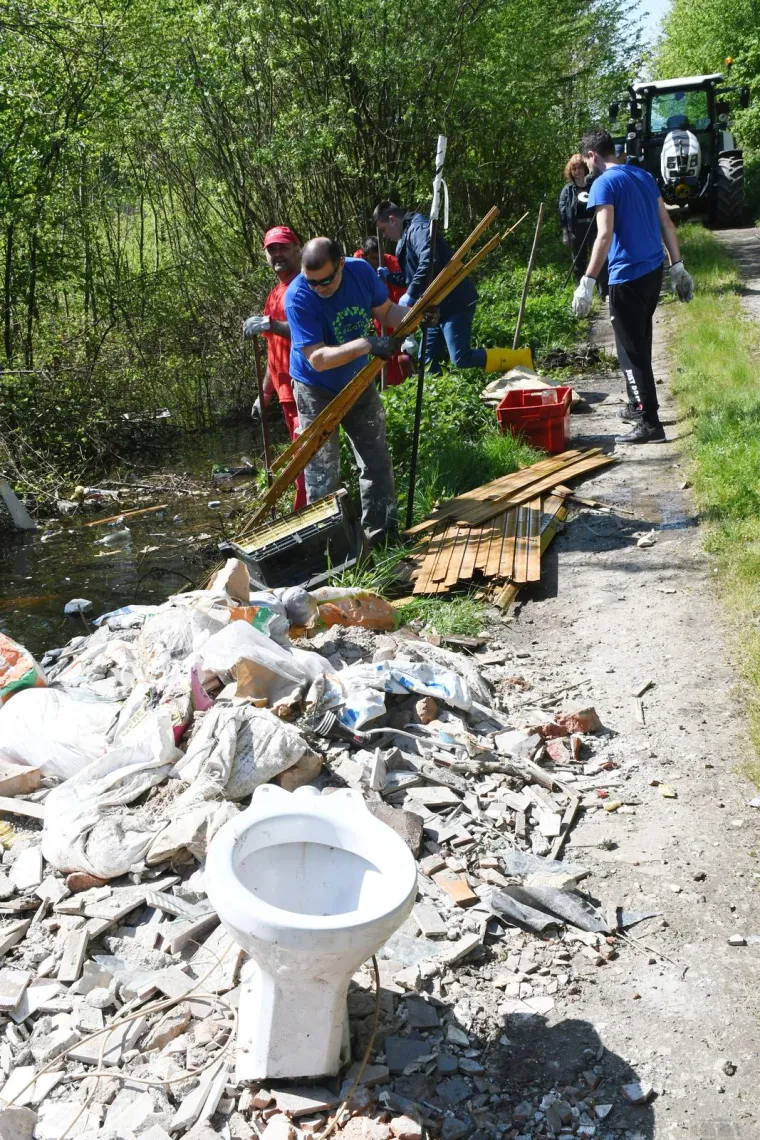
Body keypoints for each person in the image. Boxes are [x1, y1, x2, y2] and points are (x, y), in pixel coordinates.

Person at [284, 236, 416, 545]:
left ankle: (382, 539)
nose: (319, 287)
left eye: (326, 280)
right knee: (322, 473)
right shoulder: (298, 296)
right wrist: (367, 344)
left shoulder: (360, 272)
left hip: (357, 380)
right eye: (312, 281)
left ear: (341, 264)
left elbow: (386, 312)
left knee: (376, 459)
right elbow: (317, 359)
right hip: (315, 389)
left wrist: (416, 317)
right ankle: (332, 551)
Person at [573, 129, 694, 445]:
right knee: (640, 341)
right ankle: (635, 404)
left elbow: (604, 235)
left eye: (587, 161)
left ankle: (649, 423)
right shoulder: (643, 176)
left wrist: (587, 281)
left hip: (626, 278)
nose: (588, 168)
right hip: (653, 271)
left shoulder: (603, 184)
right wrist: (677, 266)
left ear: (593, 155)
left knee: (630, 353)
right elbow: (666, 223)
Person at [373, 201, 525, 375]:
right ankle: (434, 397)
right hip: (434, 307)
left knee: (461, 358)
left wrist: (411, 293)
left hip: (454, 302)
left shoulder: (417, 229)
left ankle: (519, 359)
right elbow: (414, 275)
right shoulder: (405, 237)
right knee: (427, 360)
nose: (385, 235)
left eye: (384, 230)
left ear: (392, 220)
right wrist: (389, 277)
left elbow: (430, 259)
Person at [242, 225, 306, 511]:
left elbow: (308, 332)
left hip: (305, 388)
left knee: (305, 459)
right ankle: (302, 510)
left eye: (283, 247)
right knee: (299, 458)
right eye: (272, 249)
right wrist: (264, 394)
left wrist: (269, 323)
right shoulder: (273, 295)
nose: (278, 254)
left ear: (297, 248)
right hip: (284, 394)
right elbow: (273, 352)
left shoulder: (306, 285)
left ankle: (305, 515)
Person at [354, 237, 416, 387]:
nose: (376, 262)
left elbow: (401, 293)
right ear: (365, 255)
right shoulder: (358, 262)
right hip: (375, 309)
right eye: (373, 258)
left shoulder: (392, 262)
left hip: (392, 306)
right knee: (384, 346)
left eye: (378, 258)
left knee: (400, 347)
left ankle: (406, 383)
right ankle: (390, 383)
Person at [558, 155, 608, 300]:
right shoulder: (567, 190)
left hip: (594, 228)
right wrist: (565, 233)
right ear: (570, 171)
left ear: (585, 168)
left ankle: (604, 292)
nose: (577, 171)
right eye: (574, 169)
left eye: (580, 167)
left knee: (600, 259)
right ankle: (583, 295)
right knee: (579, 262)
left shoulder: (594, 185)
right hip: (576, 230)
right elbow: (562, 213)